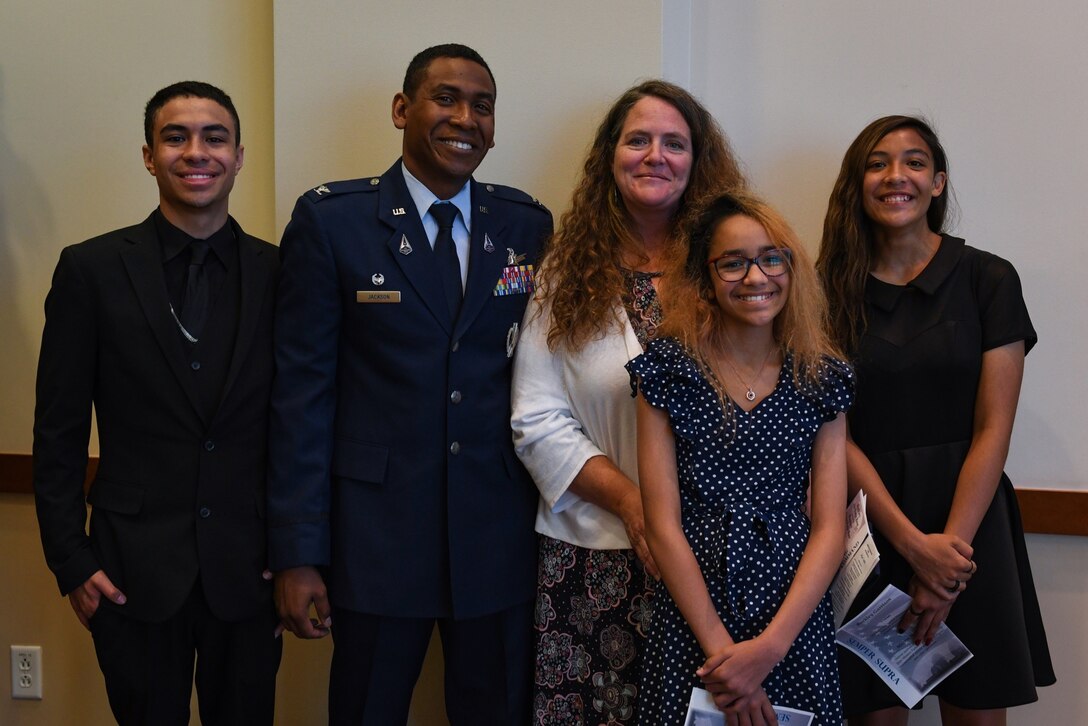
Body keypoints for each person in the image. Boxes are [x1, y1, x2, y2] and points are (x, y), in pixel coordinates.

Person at [268, 43, 552, 725]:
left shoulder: (525, 226)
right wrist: (298, 554)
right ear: (402, 109)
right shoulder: (334, 223)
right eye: (446, 98)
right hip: (375, 541)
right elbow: (302, 398)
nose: (466, 118)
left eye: (482, 106)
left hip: (494, 539)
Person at [32, 81, 281, 724]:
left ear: (239, 155)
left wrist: (298, 549)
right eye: (176, 137)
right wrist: (70, 561)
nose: (196, 152)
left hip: (250, 570)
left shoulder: (281, 272)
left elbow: (302, 420)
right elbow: (57, 430)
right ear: (149, 155)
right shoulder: (89, 270)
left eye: (214, 137)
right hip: (128, 571)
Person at [510, 79, 744, 724]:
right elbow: (535, 418)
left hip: (717, 554)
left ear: (697, 160)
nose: (654, 155)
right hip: (595, 559)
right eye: (637, 139)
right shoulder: (563, 274)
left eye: (674, 142)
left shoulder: (732, 268)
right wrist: (635, 504)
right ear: (610, 156)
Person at [817, 115, 1055, 724]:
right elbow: (833, 432)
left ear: (938, 182)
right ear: (856, 183)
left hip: (969, 530)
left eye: (915, 162)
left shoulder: (988, 279)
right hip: (869, 529)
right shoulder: (825, 292)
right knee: (875, 714)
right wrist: (911, 546)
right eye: (877, 162)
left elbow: (993, 429)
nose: (896, 175)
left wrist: (945, 558)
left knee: (975, 713)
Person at [628, 192, 853, 724]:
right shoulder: (667, 372)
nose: (755, 277)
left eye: (771, 258)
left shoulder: (821, 377)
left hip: (792, 613)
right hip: (695, 613)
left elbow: (828, 528)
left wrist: (769, 649)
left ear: (790, 268)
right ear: (706, 278)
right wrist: (726, 658)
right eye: (733, 262)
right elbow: (662, 527)